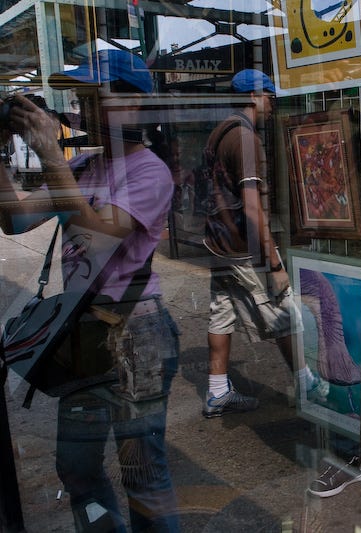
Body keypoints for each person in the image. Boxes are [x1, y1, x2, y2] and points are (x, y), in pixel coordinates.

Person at [1, 49, 180, 531]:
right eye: (80, 98)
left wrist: (49, 154)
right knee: (76, 468)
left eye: (92, 96)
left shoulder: (151, 172)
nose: (82, 109)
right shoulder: (84, 165)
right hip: (83, 335)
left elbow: (94, 240)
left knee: (142, 474)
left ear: (134, 106)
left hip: (135, 335)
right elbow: (14, 218)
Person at [202, 69, 323, 418]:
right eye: (269, 96)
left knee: (221, 313)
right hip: (243, 247)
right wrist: (273, 263)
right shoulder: (245, 137)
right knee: (283, 311)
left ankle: (217, 391)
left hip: (218, 243)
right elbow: (253, 207)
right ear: (255, 96)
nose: (271, 104)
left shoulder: (218, 132)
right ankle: (306, 382)